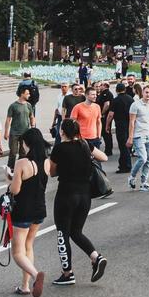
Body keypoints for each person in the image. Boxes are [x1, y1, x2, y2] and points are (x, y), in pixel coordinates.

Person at [47, 119, 108, 285]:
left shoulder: (59, 148)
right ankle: (96, 257)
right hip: (85, 195)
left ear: (62, 132)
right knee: (76, 231)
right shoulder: (85, 144)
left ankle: (67, 274)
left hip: (66, 195)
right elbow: (104, 157)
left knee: (63, 233)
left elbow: (51, 173)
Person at [7, 127, 48, 297]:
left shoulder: (22, 163)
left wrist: (9, 178)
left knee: (17, 252)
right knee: (28, 245)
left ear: (26, 143)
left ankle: (34, 275)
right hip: (39, 209)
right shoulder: (46, 162)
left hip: (23, 210)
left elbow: (15, 190)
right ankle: (25, 286)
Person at [129, 83, 149, 191]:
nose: (148, 94)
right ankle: (132, 177)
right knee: (143, 158)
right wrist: (130, 137)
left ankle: (144, 182)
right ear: (143, 92)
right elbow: (131, 122)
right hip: (138, 135)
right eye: (146, 92)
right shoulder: (135, 105)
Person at [5, 89, 35, 176]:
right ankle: (10, 169)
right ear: (22, 94)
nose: (29, 95)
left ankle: (20, 169)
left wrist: (33, 126)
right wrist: (6, 132)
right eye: (27, 94)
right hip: (14, 133)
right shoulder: (13, 106)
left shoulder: (29, 105)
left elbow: (32, 117)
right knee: (13, 152)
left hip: (25, 133)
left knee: (23, 153)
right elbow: (8, 119)